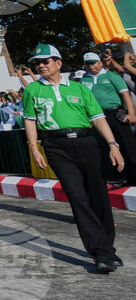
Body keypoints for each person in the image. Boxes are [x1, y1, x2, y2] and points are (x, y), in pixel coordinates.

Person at [24, 44, 125, 273]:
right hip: (56, 147)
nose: (41, 66)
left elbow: (98, 117)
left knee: (98, 195)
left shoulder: (80, 88)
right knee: (77, 197)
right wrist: (34, 148)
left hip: (86, 143)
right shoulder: (32, 90)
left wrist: (113, 145)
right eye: (37, 63)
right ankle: (100, 251)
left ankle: (108, 248)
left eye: (45, 61)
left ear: (58, 63)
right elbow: (30, 120)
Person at [79, 51, 136, 186]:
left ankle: (134, 174)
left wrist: (131, 114)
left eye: (93, 63)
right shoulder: (84, 80)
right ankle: (120, 176)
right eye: (87, 64)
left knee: (127, 146)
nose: (91, 66)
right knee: (106, 147)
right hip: (97, 117)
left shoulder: (111, 76)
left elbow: (126, 95)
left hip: (115, 114)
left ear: (100, 63)